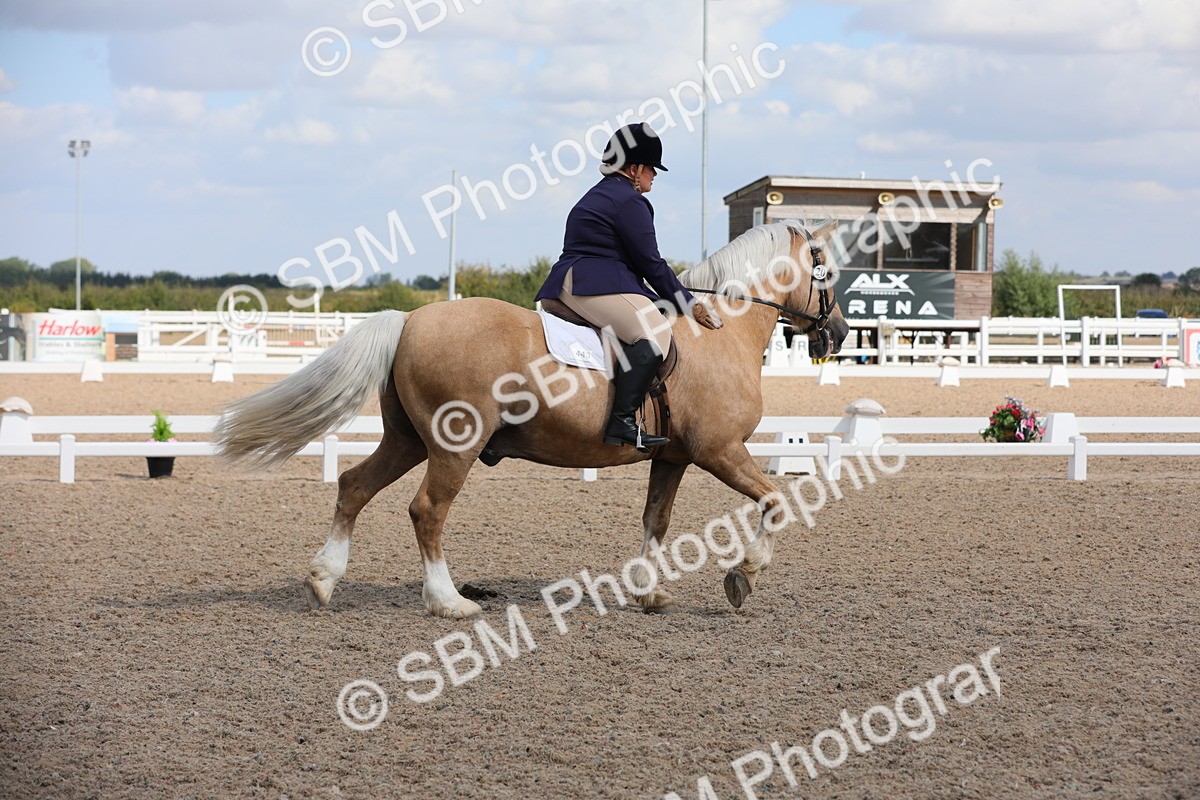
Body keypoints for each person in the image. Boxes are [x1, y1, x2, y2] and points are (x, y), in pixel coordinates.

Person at [536, 122, 722, 452]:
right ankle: (621, 421)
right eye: (651, 168)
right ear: (633, 169)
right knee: (654, 335)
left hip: (571, 280)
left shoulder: (598, 194)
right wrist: (688, 303)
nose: (655, 175)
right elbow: (651, 264)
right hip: (593, 284)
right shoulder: (629, 202)